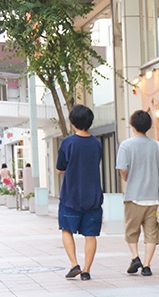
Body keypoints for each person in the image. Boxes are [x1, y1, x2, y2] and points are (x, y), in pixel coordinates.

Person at [116, 110, 159, 277]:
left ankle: (135, 256)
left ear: (132, 126)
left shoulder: (126, 145)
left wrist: (127, 178)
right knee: (151, 232)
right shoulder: (157, 146)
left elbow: (122, 169)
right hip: (153, 197)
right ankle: (146, 265)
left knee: (131, 230)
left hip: (133, 195)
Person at [55, 105, 104, 281]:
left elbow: (60, 169)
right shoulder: (97, 143)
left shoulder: (67, 143)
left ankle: (74, 264)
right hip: (93, 196)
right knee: (90, 234)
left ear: (72, 122)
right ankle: (86, 270)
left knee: (66, 229)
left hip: (70, 195)